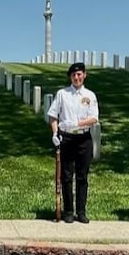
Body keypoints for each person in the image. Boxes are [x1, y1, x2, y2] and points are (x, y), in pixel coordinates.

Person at [47, 62, 99, 224]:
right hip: (67, 138)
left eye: (79, 74)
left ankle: (81, 211)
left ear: (84, 75)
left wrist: (78, 124)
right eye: (73, 75)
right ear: (70, 77)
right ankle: (68, 211)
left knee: (82, 176)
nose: (76, 78)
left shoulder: (90, 95)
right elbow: (53, 115)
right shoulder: (62, 94)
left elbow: (94, 118)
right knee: (67, 176)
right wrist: (55, 132)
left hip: (83, 138)